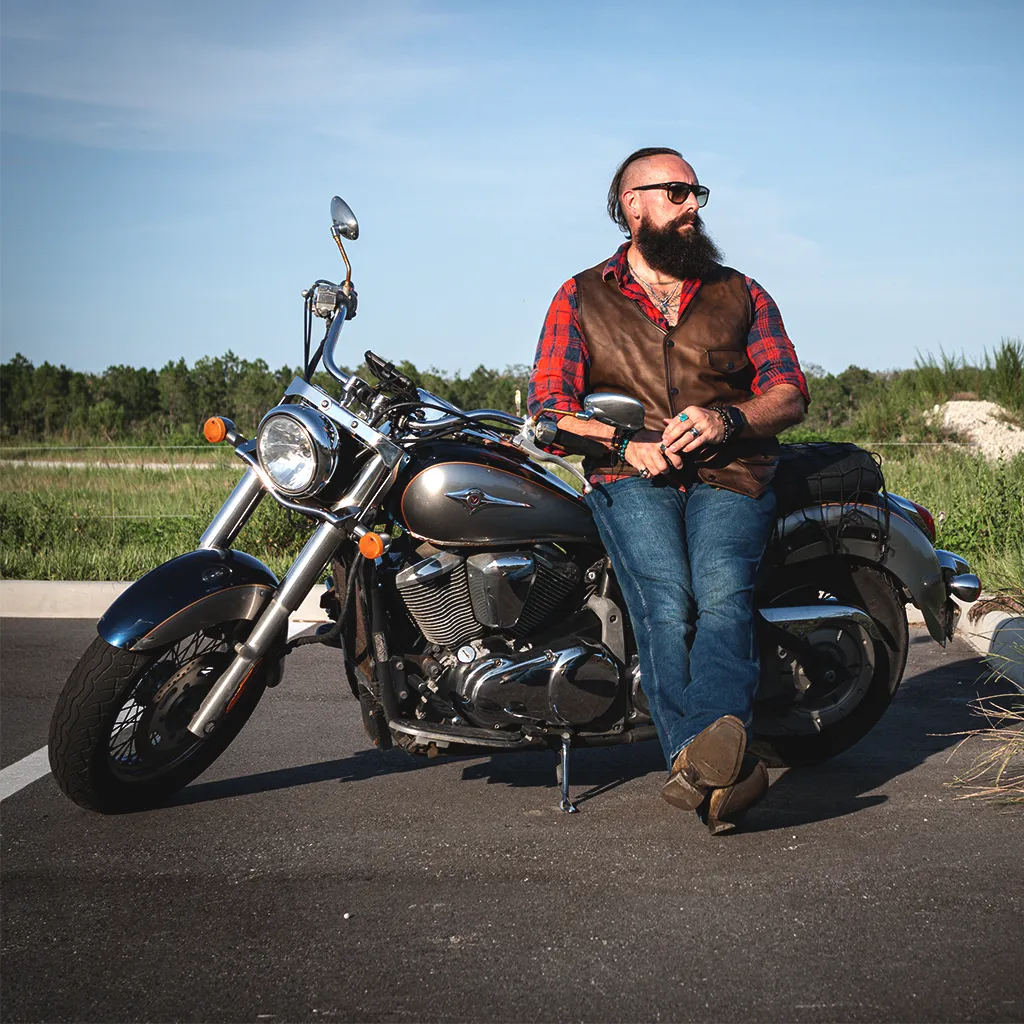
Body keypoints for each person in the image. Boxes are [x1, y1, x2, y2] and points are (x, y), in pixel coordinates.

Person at [528, 147, 809, 834]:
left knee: (720, 594)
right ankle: (716, 765)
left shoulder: (740, 291)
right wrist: (627, 445)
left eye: (696, 194)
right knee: (664, 603)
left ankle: (700, 763)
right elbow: (548, 410)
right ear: (633, 204)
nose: (692, 207)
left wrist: (728, 419)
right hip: (631, 475)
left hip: (731, 471)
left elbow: (789, 393)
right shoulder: (581, 294)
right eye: (677, 193)